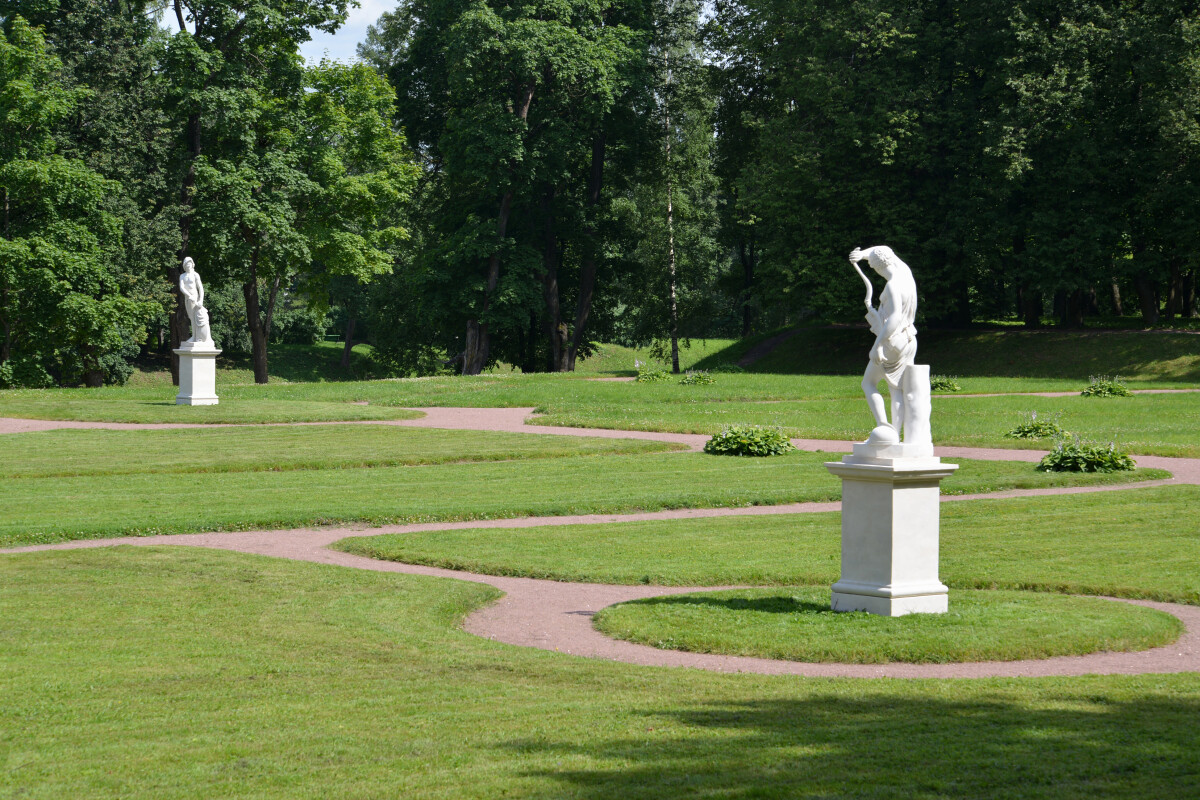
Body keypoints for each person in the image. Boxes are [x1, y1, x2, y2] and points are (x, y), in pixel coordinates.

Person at [849, 246, 918, 433]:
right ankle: (894, 434)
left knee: (868, 383)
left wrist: (877, 346)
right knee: (897, 390)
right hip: (909, 340)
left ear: (877, 267)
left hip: (891, 342)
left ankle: (883, 428)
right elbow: (884, 250)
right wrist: (862, 255)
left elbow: (894, 318)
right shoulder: (906, 274)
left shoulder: (893, 285)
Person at [179, 257, 211, 344]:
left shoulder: (195, 275)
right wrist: (189, 296)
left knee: (197, 317)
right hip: (188, 299)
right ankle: (195, 336)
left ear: (192, 264)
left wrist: (200, 300)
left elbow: (200, 288)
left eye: (189, 263)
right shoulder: (182, 276)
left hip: (195, 298)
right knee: (191, 318)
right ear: (184, 266)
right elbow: (181, 287)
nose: (188, 265)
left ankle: (197, 337)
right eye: (186, 263)